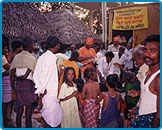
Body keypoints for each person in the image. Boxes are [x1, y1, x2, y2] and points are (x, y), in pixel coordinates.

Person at [128, 35, 160, 128]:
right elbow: (152, 96)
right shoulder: (147, 73)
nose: (147, 54)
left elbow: (159, 115)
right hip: (141, 117)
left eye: (153, 51)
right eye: (146, 50)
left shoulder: (158, 78)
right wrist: (139, 94)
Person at [33, 35, 63, 128]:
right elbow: (44, 75)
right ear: (56, 45)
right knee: (51, 120)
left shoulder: (43, 56)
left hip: (47, 92)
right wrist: (41, 91)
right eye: (58, 45)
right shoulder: (50, 58)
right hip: (48, 93)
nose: (59, 47)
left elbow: (36, 75)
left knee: (49, 118)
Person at [10, 37, 37, 128]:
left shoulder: (16, 57)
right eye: (32, 44)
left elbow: (12, 73)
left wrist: (13, 88)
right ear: (29, 46)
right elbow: (30, 74)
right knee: (28, 111)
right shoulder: (32, 58)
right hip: (28, 85)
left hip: (18, 85)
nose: (33, 46)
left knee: (20, 110)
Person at [2, 41, 12, 127]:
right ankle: (5, 121)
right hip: (4, 84)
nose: (7, 49)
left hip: (5, 83)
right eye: (5, 48)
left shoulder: (4, 57)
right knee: (5, 104)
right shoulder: (2, 58)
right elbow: (9, 68)